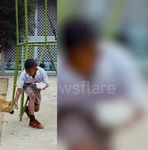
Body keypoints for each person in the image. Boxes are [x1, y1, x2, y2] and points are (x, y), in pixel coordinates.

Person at [57, 17, 144, 150]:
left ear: (97, 51)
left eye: (89, 54)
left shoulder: (119, 61)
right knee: (84, 143)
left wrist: (122, 120)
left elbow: (137, 106)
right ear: (69, 57)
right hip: (71, 114)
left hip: (110, 118)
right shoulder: (62, 72)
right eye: (78, 58)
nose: (85, 62)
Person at [14, 59, 49, 129]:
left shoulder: (42, 71)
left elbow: (47, 83)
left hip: (37, 87)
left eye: (30, 71)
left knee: (36, 109)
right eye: (27, 71)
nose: (28, 73)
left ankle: (27, 109)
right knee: (32, 96)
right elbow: (19, 89)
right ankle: (32, 121)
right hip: (27, 85)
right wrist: (16, 101)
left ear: (36, 69)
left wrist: (44, 86)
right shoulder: (23, 75)